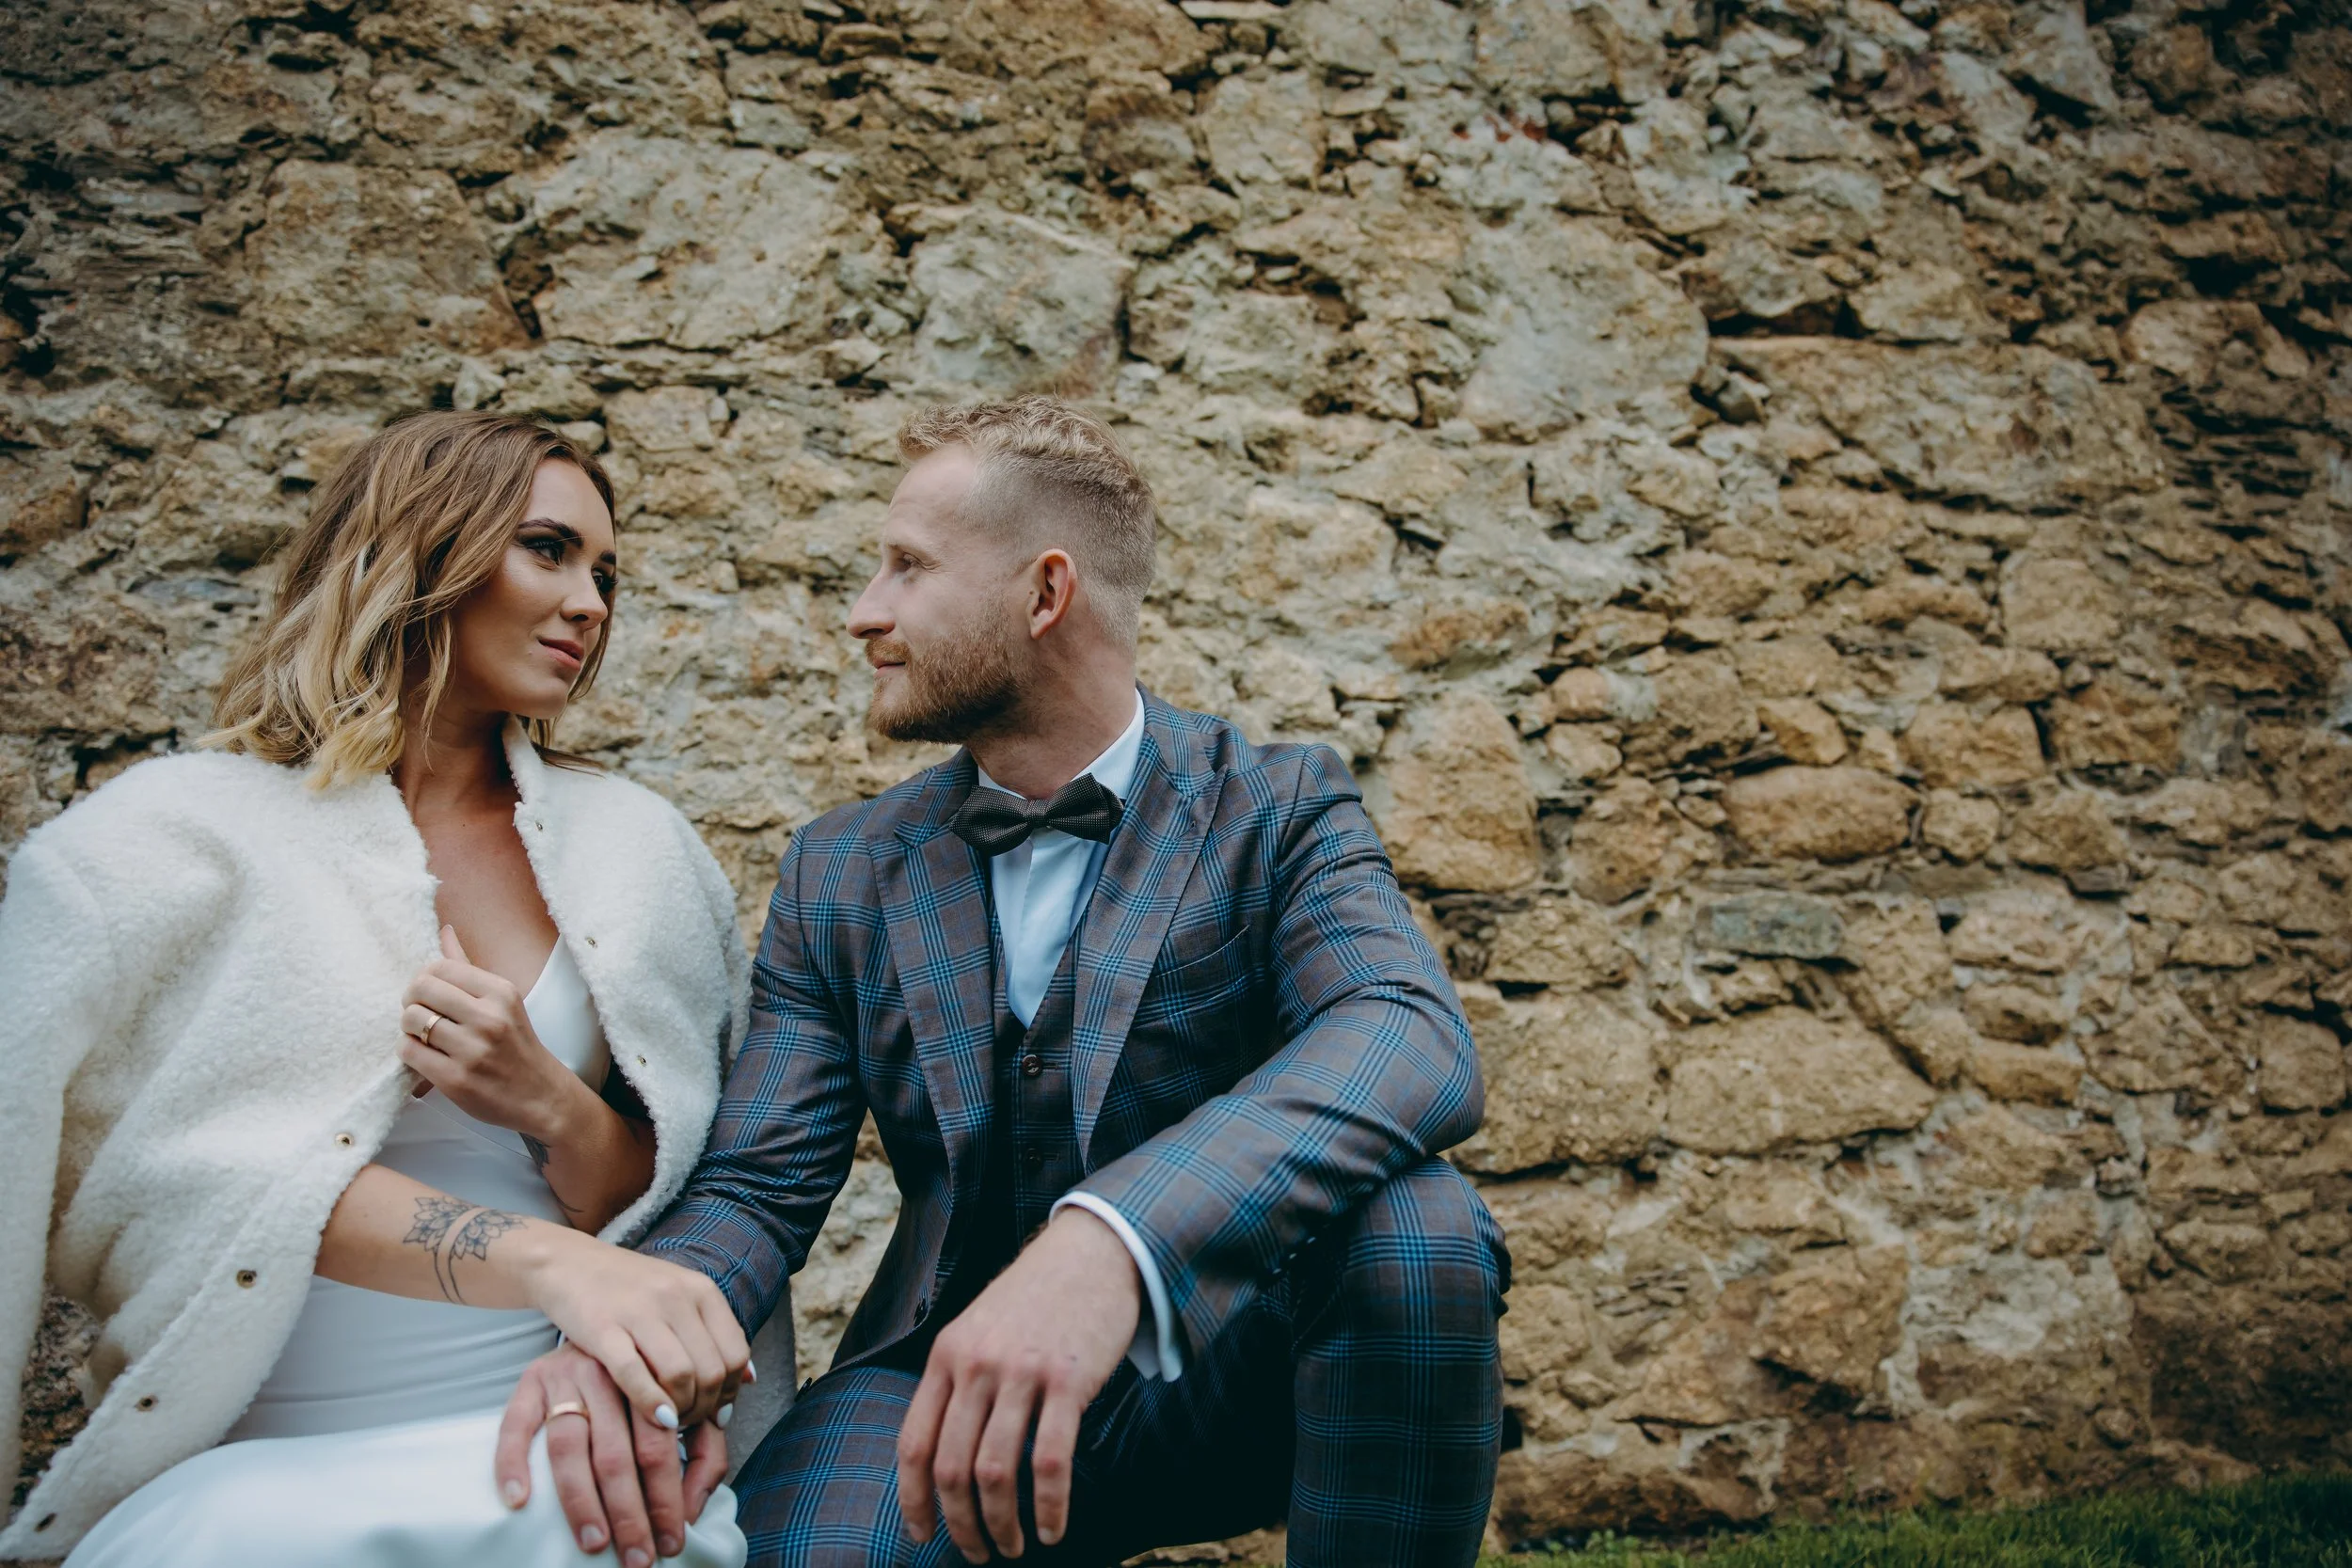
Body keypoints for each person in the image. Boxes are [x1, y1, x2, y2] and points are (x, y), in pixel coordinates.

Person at [504, 397, 1508, 1566]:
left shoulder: (1274, 805)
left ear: (1043, 595)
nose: (862, 611)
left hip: (1225, 1370)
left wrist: (1112, 1241)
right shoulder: (844, 866)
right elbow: (761, 1185)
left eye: (907, 567)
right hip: (934, 1381)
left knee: (1418, 1225)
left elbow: (1405, 1033)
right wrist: (633, 1331)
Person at [0, 411, 779, 1567]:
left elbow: (678, 1196)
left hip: (551, 1447)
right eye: (549, 550)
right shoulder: (166, 842)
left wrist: (547, 1100)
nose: (591, 603)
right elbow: (183, 1176)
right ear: (421, 550)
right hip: (250, 1469)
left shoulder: (643, 855)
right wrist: (543, 1256)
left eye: (606, 572)